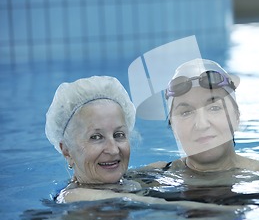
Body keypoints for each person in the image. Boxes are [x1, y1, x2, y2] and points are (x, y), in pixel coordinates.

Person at [45, 75, 242, 210]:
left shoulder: (138, 179)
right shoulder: (74, 197)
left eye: (119, 135)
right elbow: (165, 206)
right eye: (96, 137)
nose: (113, 150)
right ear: (67, 151)